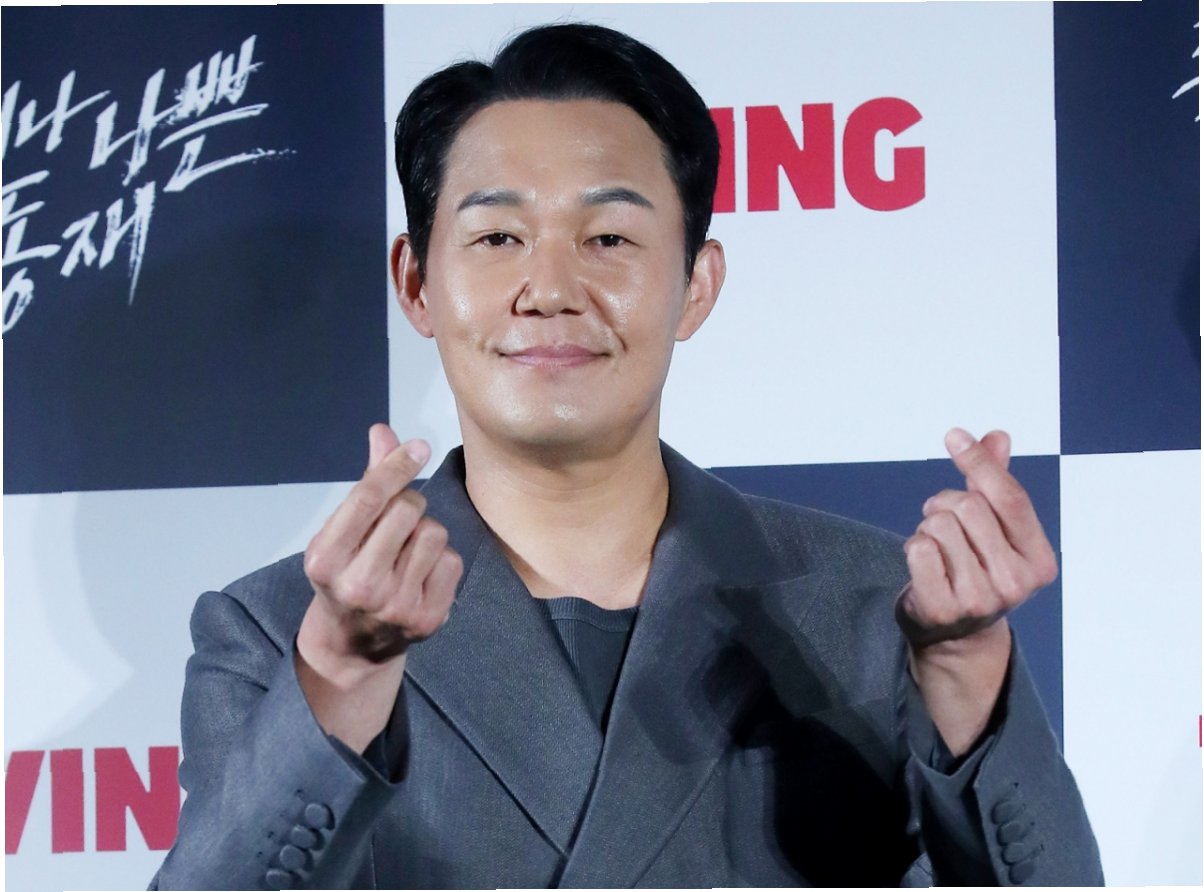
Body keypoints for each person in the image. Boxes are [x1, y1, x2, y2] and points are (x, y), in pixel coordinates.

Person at [151, 22, 1103, 889]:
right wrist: (344, 676)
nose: (550, 288)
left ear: (697, 285)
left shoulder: (871, 608)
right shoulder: (277, 632)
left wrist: (967, 668)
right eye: (497, 236)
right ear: (417, 283)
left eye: (608, 237)